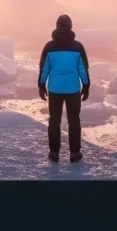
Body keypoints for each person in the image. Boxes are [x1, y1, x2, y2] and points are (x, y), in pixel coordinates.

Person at [38, 14, 90, 163]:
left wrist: (41, 86)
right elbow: (83, 69)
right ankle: (75, 153)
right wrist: (86, 86)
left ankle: (54, 153)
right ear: (70, 26)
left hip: (55, 89)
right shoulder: (77, 47)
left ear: (57, 26)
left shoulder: (49, 47)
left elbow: (44, 68)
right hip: (73, 89)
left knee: (54, 121)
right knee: (74, 121)